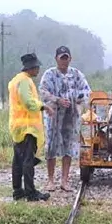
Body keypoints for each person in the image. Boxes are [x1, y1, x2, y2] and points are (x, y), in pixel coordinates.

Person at [38, 46, 91, 192]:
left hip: (71, 117)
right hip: (54, 117)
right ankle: (50, 180)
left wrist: (76, 98)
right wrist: (57, 100)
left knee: (68, 146)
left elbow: (86, 91)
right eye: (61, 58)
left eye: (66, 58)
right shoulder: (49, 74)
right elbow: (43, 92)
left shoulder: (77, 74)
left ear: (70, 58)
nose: (64, 61)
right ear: (56, 59)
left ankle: (65, 180)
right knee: (52, 146)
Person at [8, 53, 54, 201]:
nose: (38, 69)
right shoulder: (24, 81)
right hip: (27, 127)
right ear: (31, 68)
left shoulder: (15, 80)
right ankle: (30, 192)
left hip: (17, 126)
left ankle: (18, 190)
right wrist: (43, 106)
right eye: (37, 67)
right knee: (28, 160)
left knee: (18, 160)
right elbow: (28, 102)